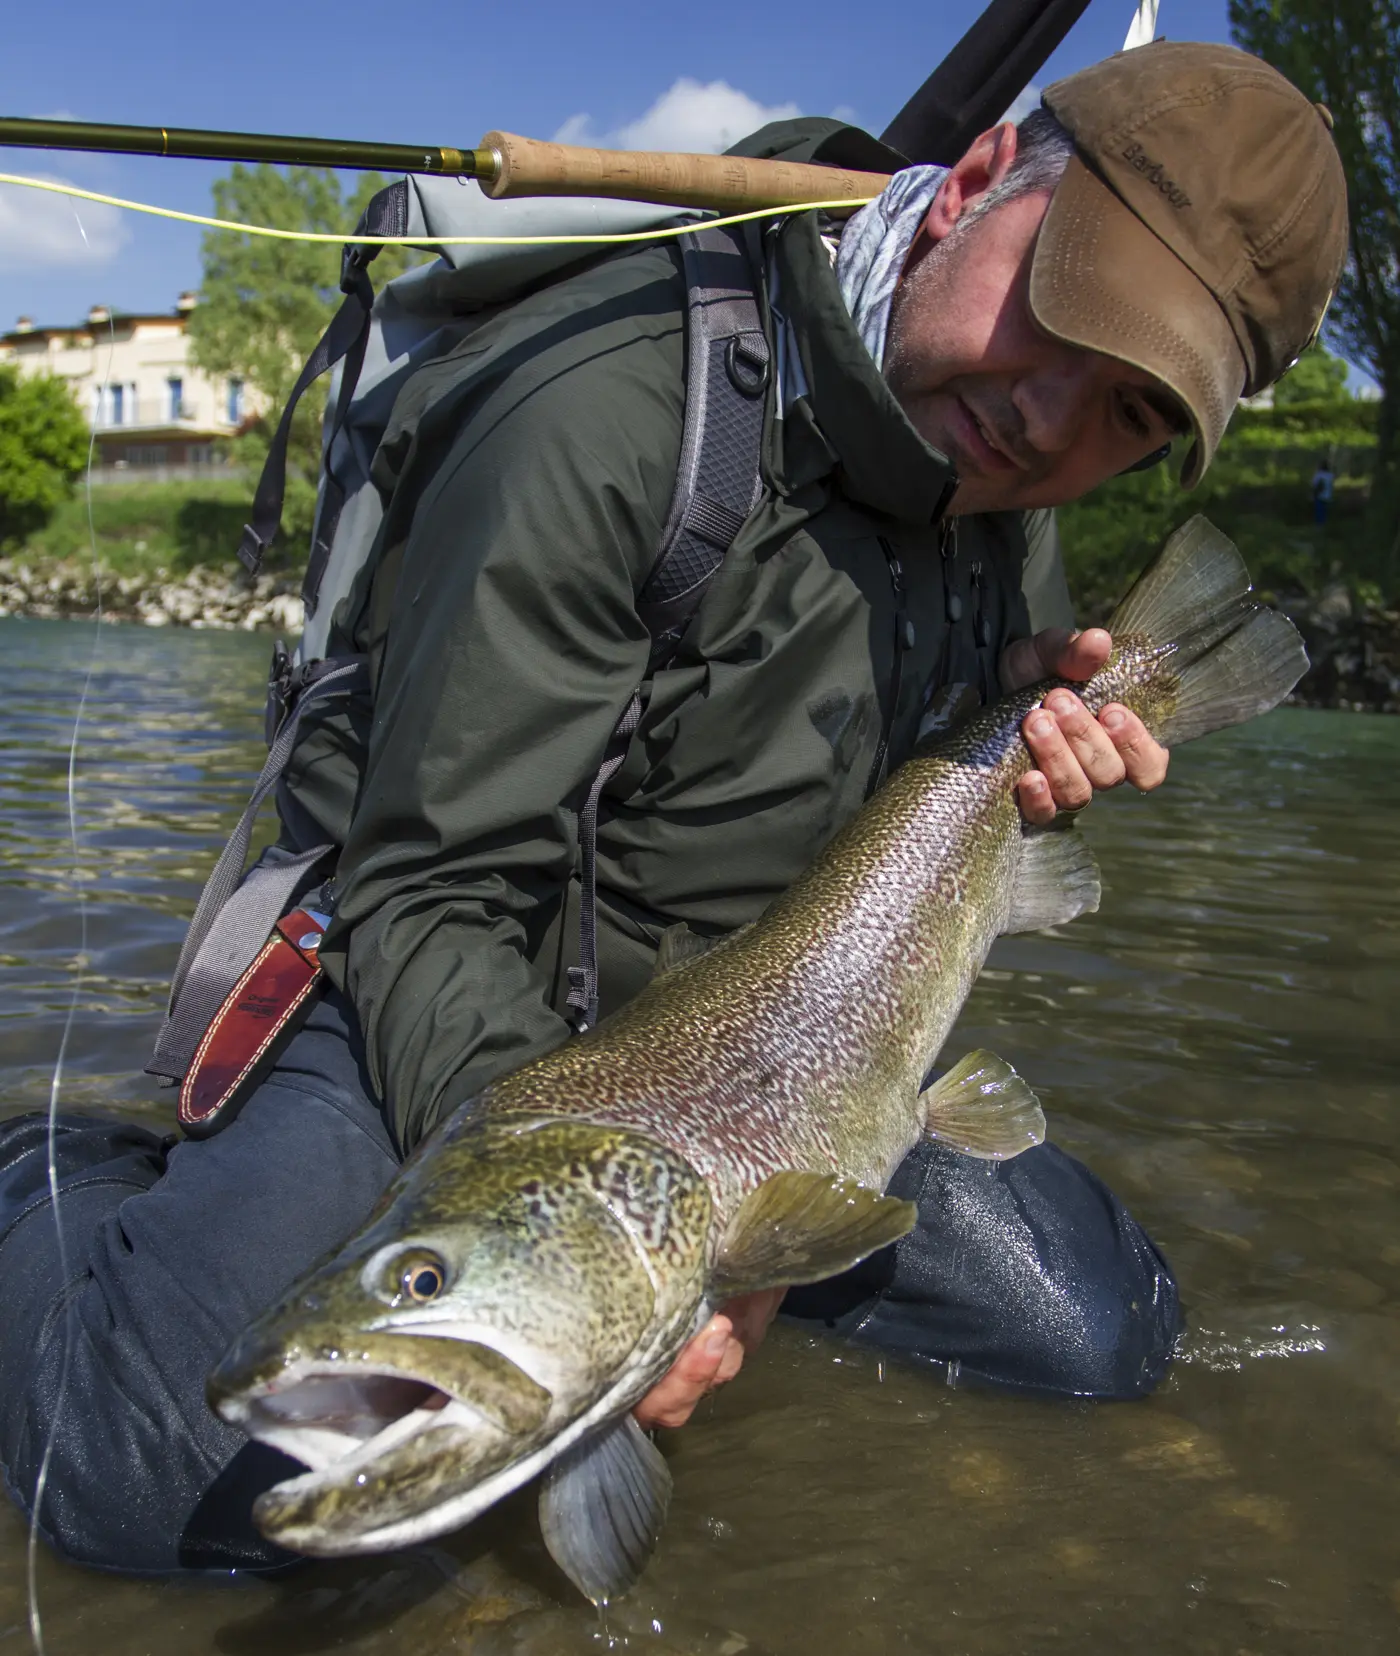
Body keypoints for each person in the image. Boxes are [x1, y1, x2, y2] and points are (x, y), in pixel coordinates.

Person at [0, 41, 1346, 1574]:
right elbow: (431, 888)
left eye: (1129, 413)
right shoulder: (610, 404)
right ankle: (45, 1188)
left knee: (1101, 1337)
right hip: (439, 980)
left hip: (761, 1052)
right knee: (158, 1479)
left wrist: (1029, 752)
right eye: (1059, 314)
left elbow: (891, 853)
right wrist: (623, 1266)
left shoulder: (1001, 494)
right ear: (975, 184)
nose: (1050, 422)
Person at [1312, 455, 1335, 525]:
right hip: (1328, 495)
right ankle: (1326, 525)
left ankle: (1320, 526)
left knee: (1319, 512)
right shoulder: (1331, 475)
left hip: (1320, 495)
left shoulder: (1318, 475)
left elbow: (1314, 484)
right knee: (1326, 512)